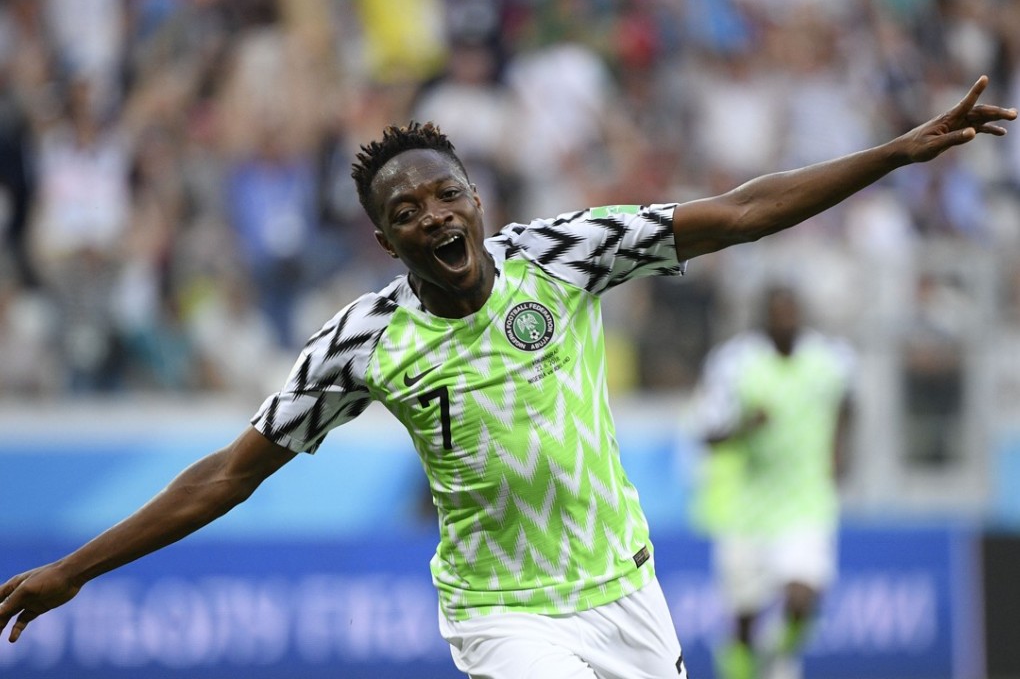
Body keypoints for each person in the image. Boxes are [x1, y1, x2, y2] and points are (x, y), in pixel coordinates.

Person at [0, 76, 1014, 679]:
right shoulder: (359, 342)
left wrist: (899, 152)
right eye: (410, 210)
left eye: (448, 194)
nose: (436, 216)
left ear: (477, 199)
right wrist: (74, 568)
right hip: (503, 608)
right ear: (383, 235)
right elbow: (223, 475)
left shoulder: (564, 255)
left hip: (624, 586)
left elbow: (740, 211)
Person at [693, 285, 856, 679]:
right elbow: (707, 434)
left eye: (792, 312)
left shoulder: (827, 360)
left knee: (802, 597)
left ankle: (771, 656)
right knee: (745, 616)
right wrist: (746, 427)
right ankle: (749, 662)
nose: (786, 321)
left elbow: (849, 402)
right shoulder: (735, 362)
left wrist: (840, 450)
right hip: (749, 506)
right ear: (763, 317)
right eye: (778, 313)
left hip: (806, 500)